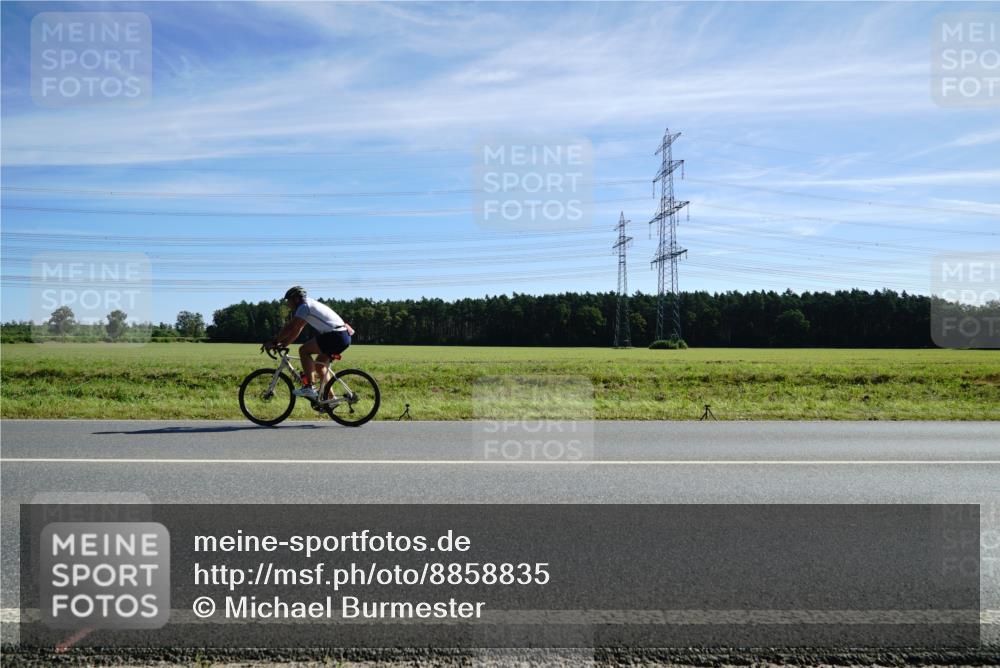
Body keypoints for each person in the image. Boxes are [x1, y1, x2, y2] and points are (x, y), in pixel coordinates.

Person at [267, 286, 353, 401]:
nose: (288, 304)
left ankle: (309, 387)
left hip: (335, 335)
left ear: (296, 299)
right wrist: (283, 344)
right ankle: (331, 399)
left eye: (289, 301)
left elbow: (291, 327)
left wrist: (274, 341)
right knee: (320, 365)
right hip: (343, 336)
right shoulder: (309, 304)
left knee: (304, 350)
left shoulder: (304, 307)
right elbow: (298, 329)